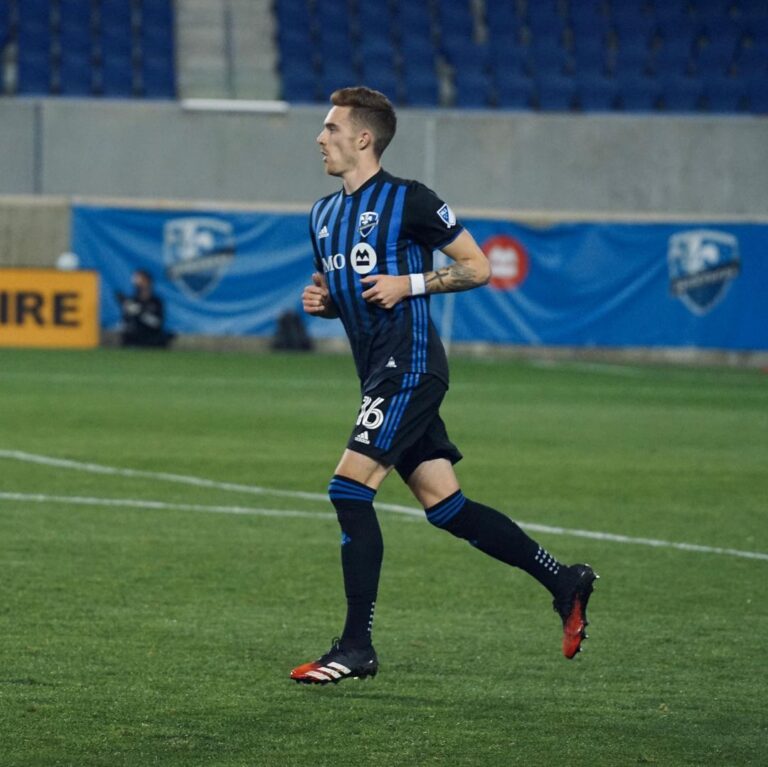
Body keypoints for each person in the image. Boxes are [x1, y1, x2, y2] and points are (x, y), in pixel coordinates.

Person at [290, 87, 598, 685]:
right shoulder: (321, 215)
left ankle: (356, 647)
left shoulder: (410, 200)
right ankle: (564, 580)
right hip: (377, 372)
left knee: (349, 492)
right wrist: (324, 303)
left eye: (330, 128)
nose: (320, 138)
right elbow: (343, 290)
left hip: (409, 366)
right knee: (446, 506)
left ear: (363, 138)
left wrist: (411, 285)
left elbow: (478, 266)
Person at [116, 269, 172, 348]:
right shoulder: (132, 301)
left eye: (142, 281)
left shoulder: (156, 302)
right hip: (135, 338)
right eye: (138, 282)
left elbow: (157, 324)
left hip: (152, 337)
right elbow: (125, 323)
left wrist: (140, 312)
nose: (141, 285)